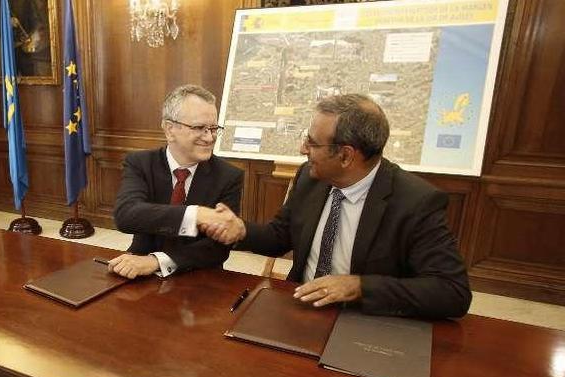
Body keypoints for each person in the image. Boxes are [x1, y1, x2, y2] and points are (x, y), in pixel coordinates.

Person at [204, 94, 471, 319]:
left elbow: (452, 292)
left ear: (345, 155)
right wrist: (241, 231)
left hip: (364, 320)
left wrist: (359, 286)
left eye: (312, 142)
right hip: (300, 308)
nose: (302, 149)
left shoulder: (416, 202)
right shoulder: (310, 178)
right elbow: (280, 236)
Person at [109, 84, 243, 279]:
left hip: (198, 276)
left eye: (214, 128)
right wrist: (195, 215)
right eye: (199, 128)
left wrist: (156, 261)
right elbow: (126, 215)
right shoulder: (140, 163)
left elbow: (218, 248)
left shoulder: (229, 176)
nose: (210, 137)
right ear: (170, 129)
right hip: (138, 272)